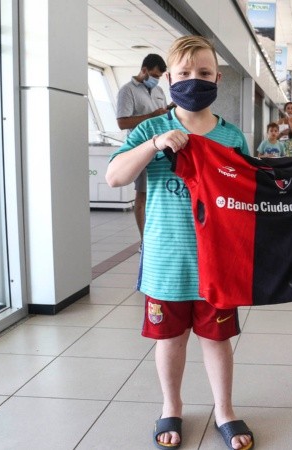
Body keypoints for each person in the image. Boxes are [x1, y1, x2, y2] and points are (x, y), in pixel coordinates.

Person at [106, 36, 254, 450]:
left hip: (215, 264)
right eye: (185, 74)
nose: (194, 80)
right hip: (166, 262)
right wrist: (155, 144)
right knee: (170, 340)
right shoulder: (152, 128)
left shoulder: (231, 137)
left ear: (218, 79)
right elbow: (115, 177)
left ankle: (224, 410)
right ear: (168, 79)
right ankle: (171, 406)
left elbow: (247, 198)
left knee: (218, 340)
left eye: (204, 73)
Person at [115, 53, 171, 244]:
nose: (156, 80)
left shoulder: (159, 92)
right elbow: (122, 122)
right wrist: (151, 115)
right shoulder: (127, 91)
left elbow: (161, 117)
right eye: (154, 75)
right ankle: (144, 241)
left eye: (159, 76)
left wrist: (168, 111)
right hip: (140, 148)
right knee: (143, 193)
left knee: (162, 191)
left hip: (162, 149)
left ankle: (160, 236)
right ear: (144, 70)